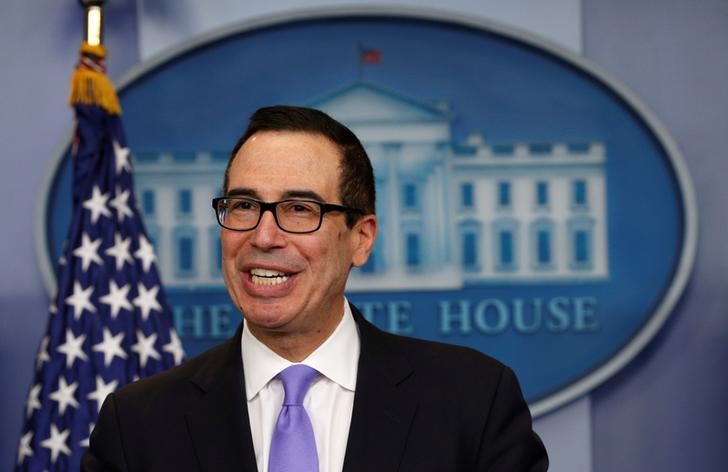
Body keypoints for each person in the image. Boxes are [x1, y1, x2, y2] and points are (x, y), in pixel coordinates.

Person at [82, 105, 548, 471]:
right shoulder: (137, 424)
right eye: (244, 205)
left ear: (360, 239)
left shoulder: (473, 402)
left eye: (300, 209)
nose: (263, 236)